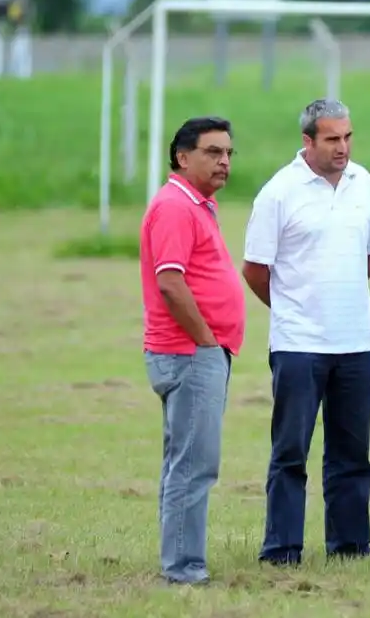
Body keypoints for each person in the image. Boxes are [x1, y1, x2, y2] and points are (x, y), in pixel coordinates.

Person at [241, 98, 370, 567]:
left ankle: (349, 546)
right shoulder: (278, 193)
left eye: (347, 137)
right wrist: (296, 308)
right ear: (308, 141)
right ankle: (282, 549)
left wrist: (338, 296)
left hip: (357, 343)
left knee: (351, 453)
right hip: (298, 345)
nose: (342, 147)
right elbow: (255, 269)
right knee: (290, 452)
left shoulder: (363, 183)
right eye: (332, 139)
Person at [139, 116, 246, 586]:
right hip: (189, 352)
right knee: (195, 464)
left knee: (183, 459)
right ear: (183, 158)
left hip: (198, 351)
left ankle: (178, 559)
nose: (223, 161)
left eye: (227, 153)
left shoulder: (198, 204)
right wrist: (205, 339)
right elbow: (169, 280)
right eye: (212, 152)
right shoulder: (176, 207)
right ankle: (183, 569)